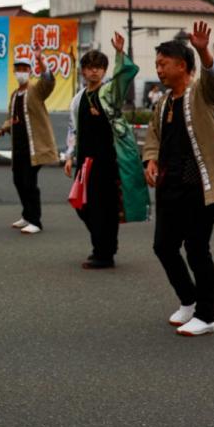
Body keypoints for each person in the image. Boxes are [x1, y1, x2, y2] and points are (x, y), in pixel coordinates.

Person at [144, 22, 214, 336]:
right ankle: (189, 300)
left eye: (164, 64)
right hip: (169, 186)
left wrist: (203, 50)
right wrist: (150, 159)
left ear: (182, 66)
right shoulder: (162, 103)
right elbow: (153, 136)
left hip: (200, 187)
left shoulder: (200, 94)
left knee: (197, 248)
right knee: (163, 246)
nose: (159, 70)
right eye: (157, 64)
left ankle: (206, 314)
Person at [64, 34, 150, 269]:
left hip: (108, 160)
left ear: (104, 71)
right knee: (83, 206)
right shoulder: (78, 99)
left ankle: (104, 252)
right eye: (90, 68)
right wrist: (70, 156)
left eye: (99, 68)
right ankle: (102, 246)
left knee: (105, 207)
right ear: (83, 71)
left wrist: (120, 54)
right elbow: (73, 129)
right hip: (85, 160)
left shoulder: (110, 92)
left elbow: (125, 77)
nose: (94, 72)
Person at [0, 43, 57, 235]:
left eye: (24, 69)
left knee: (29, 182)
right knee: (18, 181)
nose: (21, 72)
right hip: (18, 146)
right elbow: (12, 119)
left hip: (34, 147)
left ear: (30, 71)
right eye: (18, 69)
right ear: (14, 71)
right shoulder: (14, 94)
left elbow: (49, 82)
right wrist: (1, 130)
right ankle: (27, 216)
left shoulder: (36, 91)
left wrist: (40, 59)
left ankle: (35, 221)